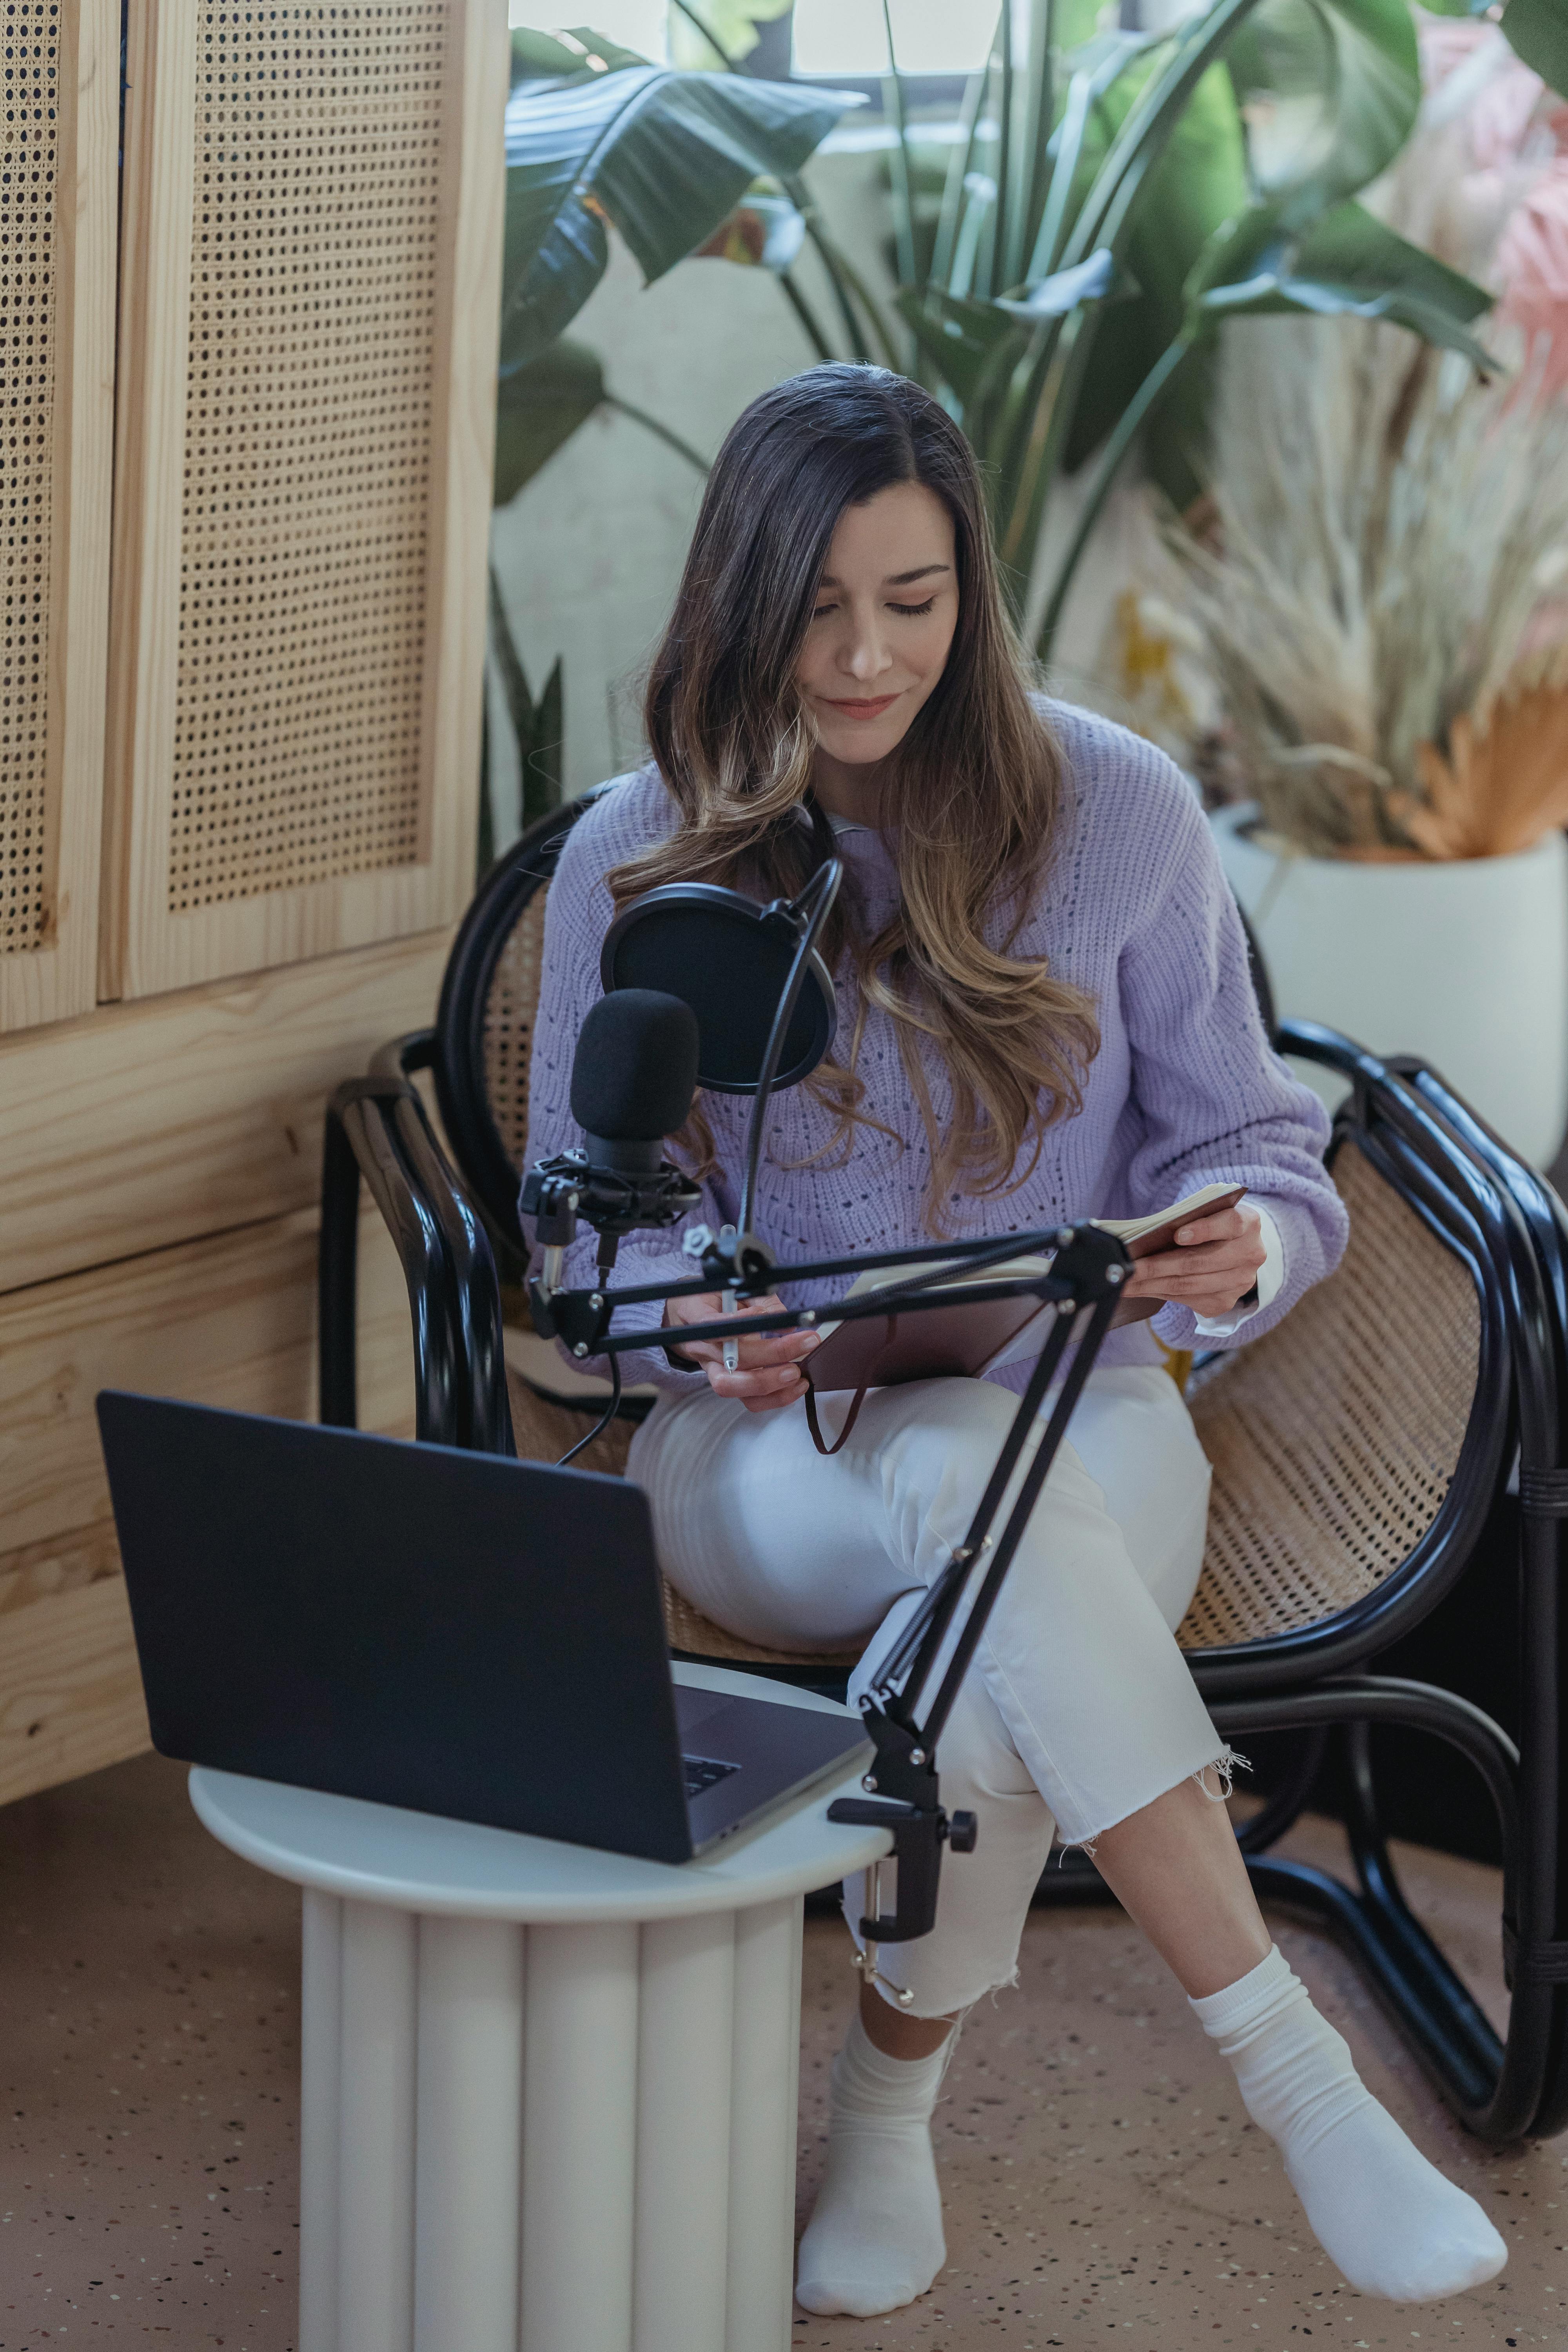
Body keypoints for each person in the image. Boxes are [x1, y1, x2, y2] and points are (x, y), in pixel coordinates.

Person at [523, 365, 1506, 2318]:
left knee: (976, 1606)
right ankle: (1299, 2084)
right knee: (972, 1509)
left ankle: (884, 2125)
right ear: (740, 598)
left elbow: (1257, 1142)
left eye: (912, 597)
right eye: (818, 606)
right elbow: (587, 1229)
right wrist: (687, 1323)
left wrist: (1240, 1243)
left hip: (1081, 1406)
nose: (866, 652)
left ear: (968, 595)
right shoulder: (639, 858)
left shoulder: (1114, 815)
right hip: (762, 1463)